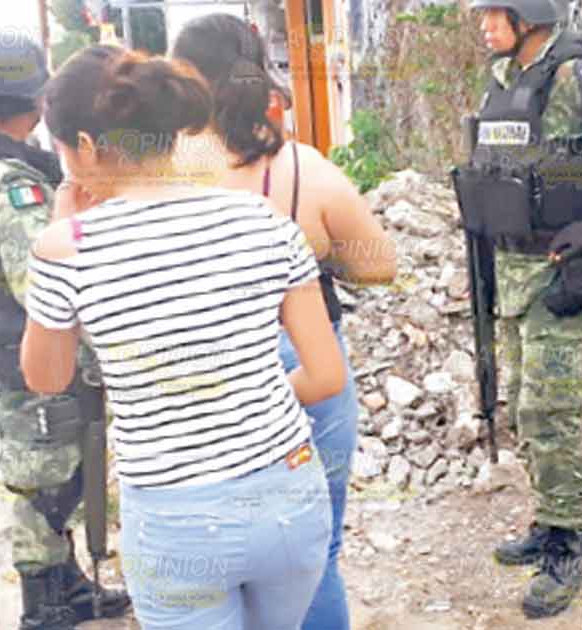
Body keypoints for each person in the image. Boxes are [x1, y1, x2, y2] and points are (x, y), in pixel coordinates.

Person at [21, 44, 346, 629]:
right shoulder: (264, 221)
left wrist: (58, 226)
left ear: (88, 147)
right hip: (289, 498)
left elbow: (47, 377)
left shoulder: (67, 248)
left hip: (178, 523)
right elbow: (325, 377)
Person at [170, 14, 397, 630]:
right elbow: (379, 266)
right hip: (307, 356)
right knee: (311, 551)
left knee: (213, 550)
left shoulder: (160, 170)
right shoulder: (307, 170)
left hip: (202, 371)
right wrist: (314, 262)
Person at [0, 31, 131, 628]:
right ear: (28, 93)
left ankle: (64, 582)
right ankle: (44, 606)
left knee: (55, 472)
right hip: (22, 360)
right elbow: (42, 283)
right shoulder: (7, 181)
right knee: (44, 479)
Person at [453, 0, 582, 617]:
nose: (482, 25)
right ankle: (550, 517)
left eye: (492, 13)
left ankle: (568, 541)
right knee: (522, 402)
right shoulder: (504, 80)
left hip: (560, 271)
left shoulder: (579, 74)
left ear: (529, 15)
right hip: (508, 269)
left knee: (550, 404)